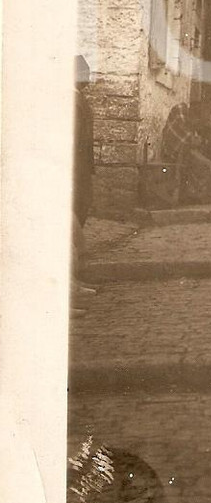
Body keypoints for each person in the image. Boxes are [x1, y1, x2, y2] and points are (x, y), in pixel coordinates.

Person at [160, 103, 211, 205]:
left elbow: (193, 140)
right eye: (207, 120)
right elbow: (186, 139)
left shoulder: (191, 122)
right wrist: (195, 140)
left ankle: (202, 194)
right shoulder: (180, 111)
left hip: (185, 151)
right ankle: (200, 195)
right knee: (206, 167)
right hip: (173, 153)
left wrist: (197, 139)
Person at [72, 56, 97, 313]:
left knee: (81, 212)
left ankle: (74, 280)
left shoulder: (81, 100)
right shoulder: (70, 101)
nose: (87, 78)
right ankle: (70, 283)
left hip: (82, 169)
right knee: (72, 224)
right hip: (72, 169)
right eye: (82, 73)